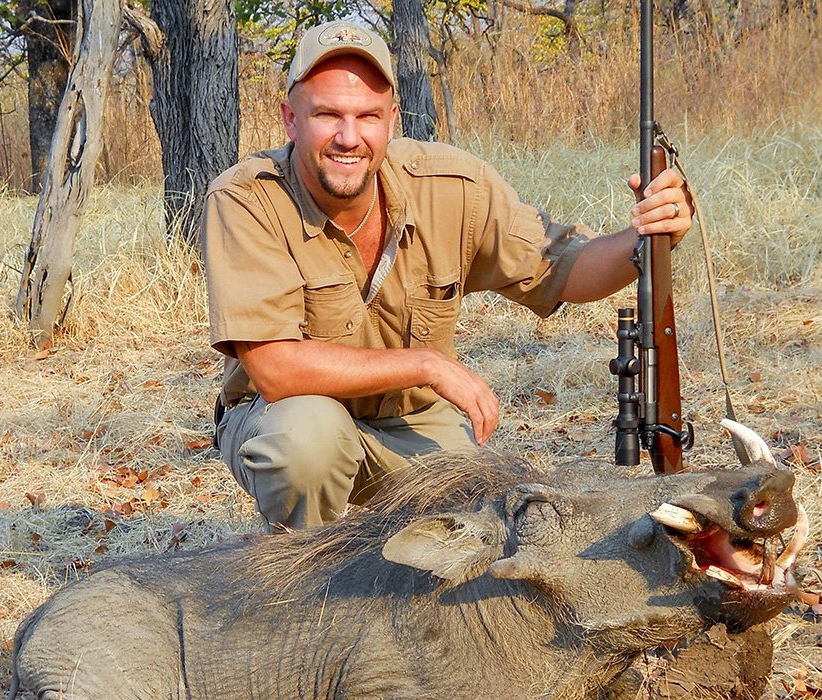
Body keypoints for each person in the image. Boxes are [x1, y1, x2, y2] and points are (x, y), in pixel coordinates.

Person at [200, 20, 694, 531]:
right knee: (305, 445)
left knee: (485, 515)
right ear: (290, 119)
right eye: (328, 115)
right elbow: (277, 371)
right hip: (285, 416)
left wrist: (648, 234)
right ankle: (301, 587)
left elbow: (565, 269)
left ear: (392, 119)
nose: (349, 137)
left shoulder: (454, 185)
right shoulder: (244, 199)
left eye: (367, 116)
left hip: (412, 420)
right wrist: (429, 366)